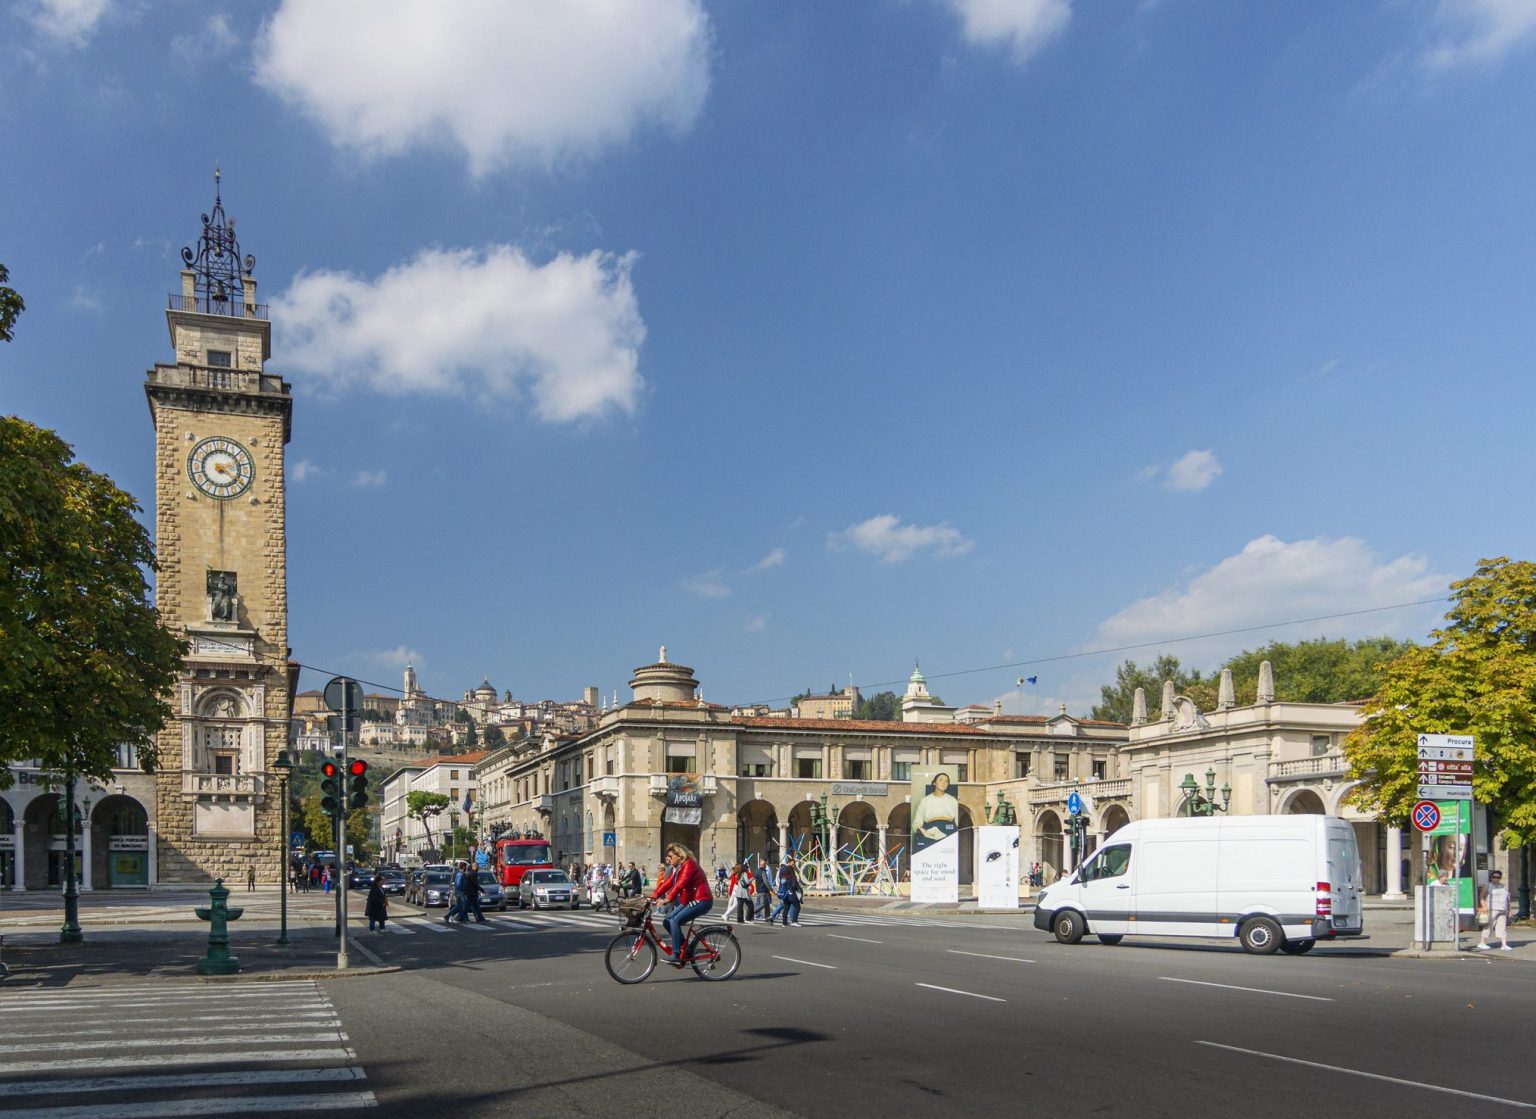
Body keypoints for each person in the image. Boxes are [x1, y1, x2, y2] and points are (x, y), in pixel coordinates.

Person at [652, 843, 713, 967]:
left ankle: (676, 954)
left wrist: (667, 898)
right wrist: (654, 895)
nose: (668, 858)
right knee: (667, 921)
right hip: (689, 900)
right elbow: (669, 883)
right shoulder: (680, 867)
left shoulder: (689, 865)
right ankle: (686, 949)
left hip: (701, 899)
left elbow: (680, 884)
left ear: (679, 855)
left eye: (670, 855)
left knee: (674, 920)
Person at [911, 771, 960, 849]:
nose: (944, 782)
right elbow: (917, 821)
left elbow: (957, 821)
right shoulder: (925, 800)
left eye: (946, 781)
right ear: (934, 783)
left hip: (948, 831)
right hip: (929, 832)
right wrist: (924, 832)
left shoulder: (953, 800)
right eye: (941, 780)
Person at [1476, 869, 1513, 951]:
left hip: (1503, 909)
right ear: (1491, 878)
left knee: (1502, 927)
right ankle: (1482, 942)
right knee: (1489, 926)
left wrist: (1509, 910)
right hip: (1491, 909)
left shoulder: (1503, 886)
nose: (1496, 878)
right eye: (1494, 877)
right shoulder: (1487, 885)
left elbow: (1508, 899)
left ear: (1500, 878)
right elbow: (1482, 896)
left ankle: (1504, 944)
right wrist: (1484, 906)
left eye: (1498, 877)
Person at [772, 858, 802, 927]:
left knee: (786, 906)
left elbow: (781, 880)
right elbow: (793, 881)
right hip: (790, 891)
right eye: (793, 864)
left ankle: (784, 922)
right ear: (789, 862)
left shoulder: (781, 870)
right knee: (797, 906)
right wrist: (795, 887)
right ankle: (794, 921)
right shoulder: (789, 870)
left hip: (784, 891)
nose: (794, 865)